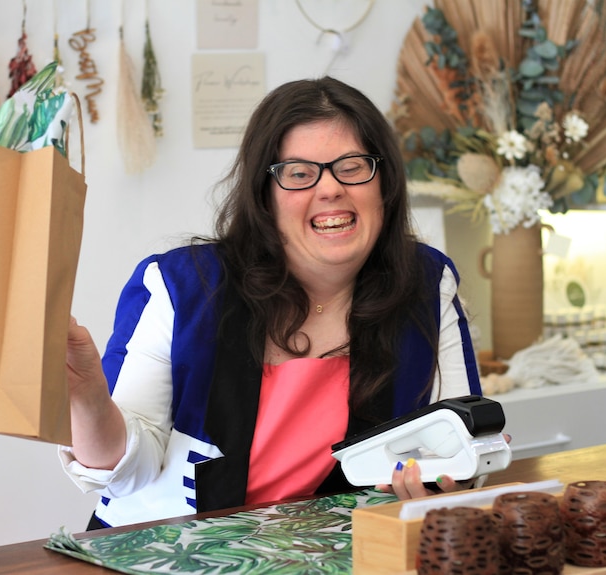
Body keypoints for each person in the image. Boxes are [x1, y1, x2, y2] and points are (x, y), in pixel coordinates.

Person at [62, 76, 482, 530]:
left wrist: (452, 478)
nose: (330, 189)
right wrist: (85, 395)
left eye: (353, 166)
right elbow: (125, 474)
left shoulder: (425, 282)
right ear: (265, 196)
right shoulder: (183, 287)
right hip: (174, 554)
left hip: (342, 554)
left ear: (385, 184)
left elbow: (465, 443)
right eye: (299, 173)